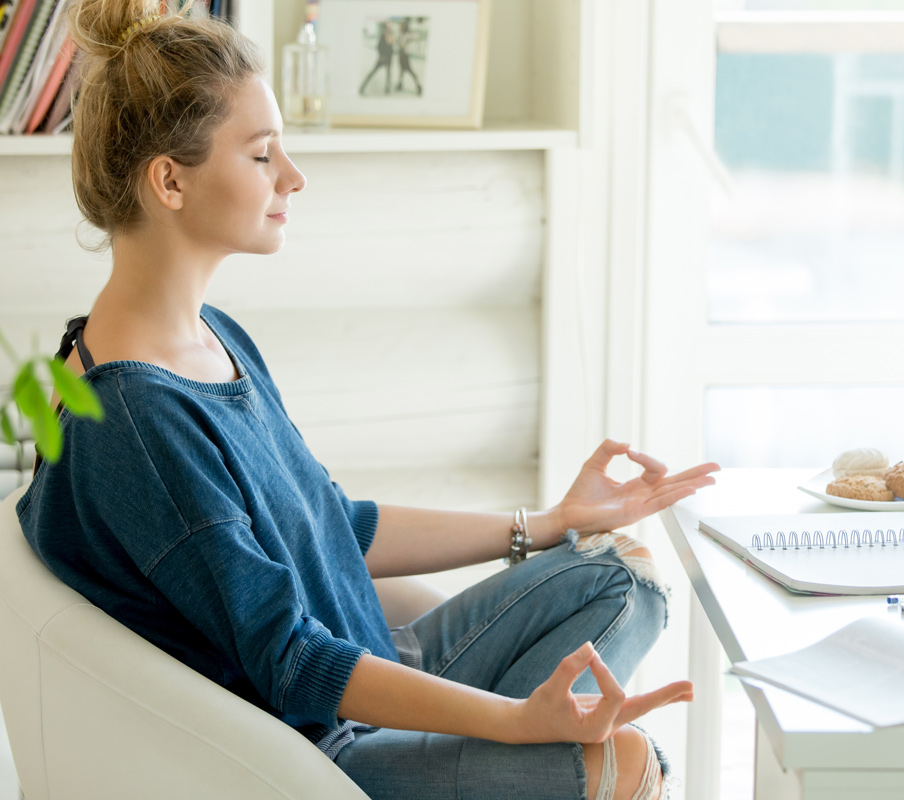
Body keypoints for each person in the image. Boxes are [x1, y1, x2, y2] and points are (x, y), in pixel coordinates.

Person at [17, 2, 719, 799]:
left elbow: (335, 526)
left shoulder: (209, 336)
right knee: (626, 765)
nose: (293, 176)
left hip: (377, 662)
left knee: (622, 573)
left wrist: (548, 523)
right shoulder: (141, 424)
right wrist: (514, 722)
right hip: (321, 748)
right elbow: (291, 660)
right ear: (169, 180)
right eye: (260, 155)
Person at [358, 20, 395, 96]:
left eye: (390, 26)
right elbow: (378, 47)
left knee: (388, 74)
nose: (390, 28)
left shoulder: (391, 36)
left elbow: (391, 48)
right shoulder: (383, 36)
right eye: (388, 27)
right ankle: (362, 87)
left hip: (389, 59)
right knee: (373, 72)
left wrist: (392, 54)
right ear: (385, 28)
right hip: (382, 59)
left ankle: (387, 89)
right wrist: (381, 56)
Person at [394, 18, 422, 96]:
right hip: (400, 55)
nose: (401, 27)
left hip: (405, 55)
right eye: (401, 25)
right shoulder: (400, 34)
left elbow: (416, 37)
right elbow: (398, 42)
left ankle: (419, 86)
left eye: (403, 26)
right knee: (401, 71)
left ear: (406, 26)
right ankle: (400, 85)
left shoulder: (408, 34)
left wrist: (408, 42)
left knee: (410, 71)